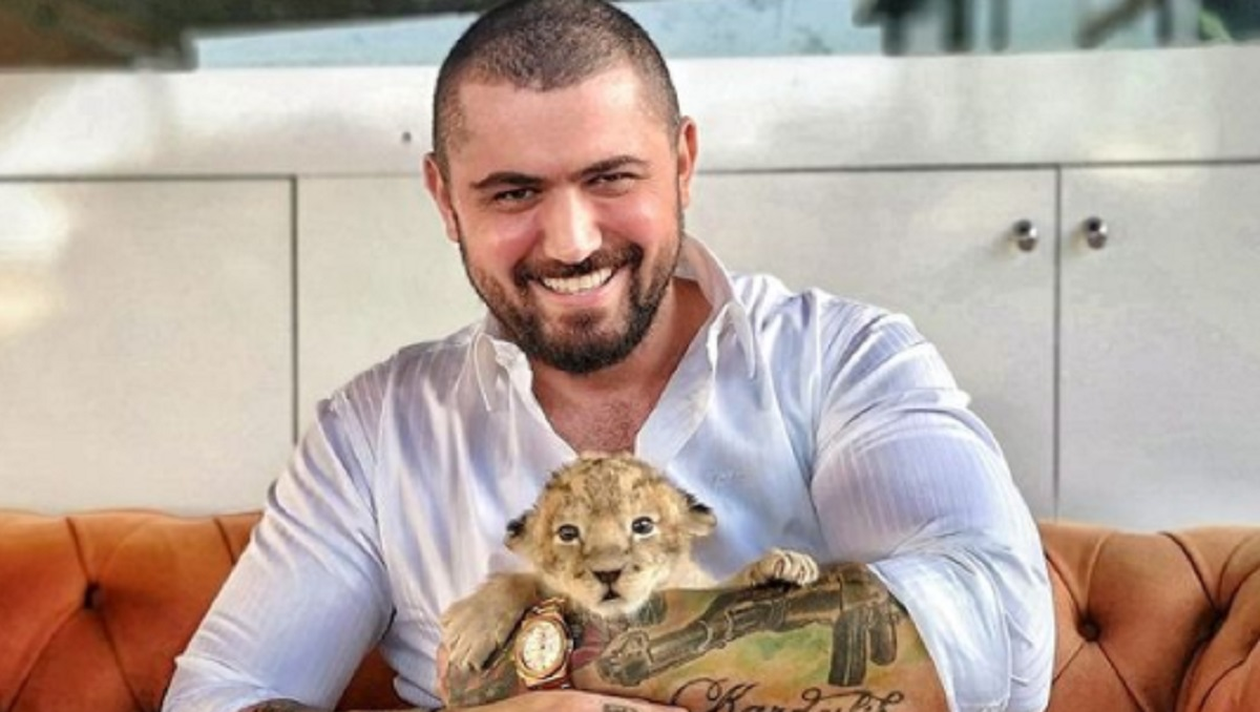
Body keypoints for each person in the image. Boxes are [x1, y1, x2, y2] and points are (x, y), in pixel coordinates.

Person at [163, 0, 1054, 711]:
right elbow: (220, 695)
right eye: (513, 193)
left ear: (683, 163)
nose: (572, 242)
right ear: (444, 200)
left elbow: (995, 632)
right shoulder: (375, 433)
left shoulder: (843, 361)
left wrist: (550, 664)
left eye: (611, 178)